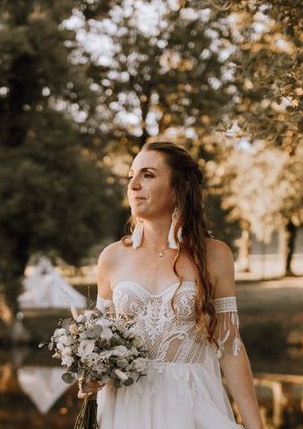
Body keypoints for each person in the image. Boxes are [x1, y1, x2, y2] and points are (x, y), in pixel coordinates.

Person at [77, 141, 264, 429]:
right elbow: (99, 342)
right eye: (131, 176)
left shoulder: (214, 255)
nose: (134, 185)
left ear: (178, 188)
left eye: (148, 175)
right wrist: (89, 375)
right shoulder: (112, 257)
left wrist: (255, 425)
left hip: (190, 406)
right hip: (125, 410)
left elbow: (230, 347)